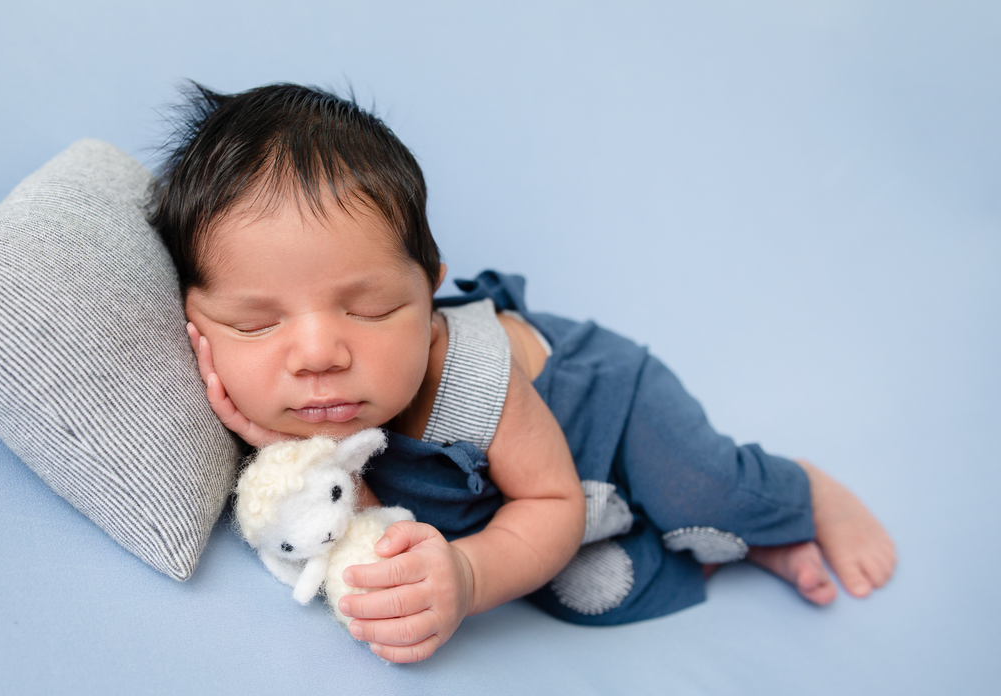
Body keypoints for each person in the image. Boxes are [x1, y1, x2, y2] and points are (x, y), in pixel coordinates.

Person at [149, 82, 895, 663]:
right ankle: (739, 543)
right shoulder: (259, 412)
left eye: (372, 309)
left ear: (428, 295)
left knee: (695, 487)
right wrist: (293, 459)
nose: (318, 356)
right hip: (534, 500)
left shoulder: (469, 374)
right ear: (195, 323)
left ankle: (793, 492)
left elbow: (551, 501)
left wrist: (468, 578)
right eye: (256, 324)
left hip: (602, 412)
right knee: (585, 593)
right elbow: (363, 520)